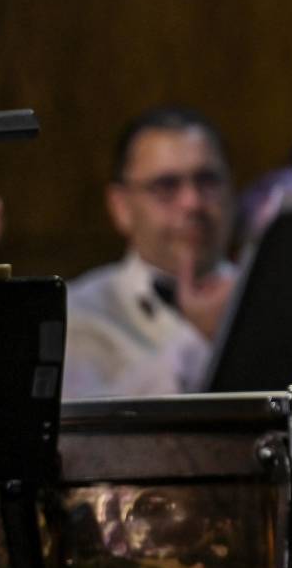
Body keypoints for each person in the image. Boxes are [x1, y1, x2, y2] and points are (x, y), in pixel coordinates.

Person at [64, 106, 239, 398]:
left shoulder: (277, 300)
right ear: (121, 207)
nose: (192, 203)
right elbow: (100, 431)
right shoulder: (76, 314)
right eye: (166, 186)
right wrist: (203, 336)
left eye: (207, 181)